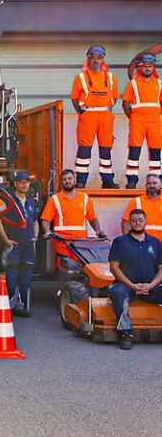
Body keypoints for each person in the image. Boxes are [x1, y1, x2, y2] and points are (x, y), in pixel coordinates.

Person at [107, 208, 162, 350]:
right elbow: (114, 267)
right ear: (129, 223)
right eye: (134, 220)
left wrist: (150, 286)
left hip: (152, 288)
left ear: (145, 222)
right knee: (116, 292)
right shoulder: (120, 242)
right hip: (127, 287)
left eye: (140, 220)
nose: (137, 223)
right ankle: (126, 333)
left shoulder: (155, 243)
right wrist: (132, 285)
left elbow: (161, 269)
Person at [70, 44, 120, 188]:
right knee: (84, 149)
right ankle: (80, 180)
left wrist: (103, 108)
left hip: (105, 115)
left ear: (103, 60)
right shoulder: (81, 77)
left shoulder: (110, 77)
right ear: (88, 59)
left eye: (99, 58)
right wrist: (82, 112)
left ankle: (108, 181)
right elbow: (74, 98)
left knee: (106, 148)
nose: (96, 61)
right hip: (88, 114)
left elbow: (115, 97)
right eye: (93, 58)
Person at [41, 168, 107, 263]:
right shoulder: (54, 199)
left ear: (75, 179)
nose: (67, 181)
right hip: (62, 243)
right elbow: (46, 220)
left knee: (83, 270)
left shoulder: (85, 198)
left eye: (69, 178)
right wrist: (47, 231)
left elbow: (93, 219)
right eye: (64, 179)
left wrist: (98, 231)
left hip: (82, 244)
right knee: (65, 271)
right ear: (61, 182)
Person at [3, 170, 40, 316]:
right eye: (21, 182)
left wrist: (35, 237)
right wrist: (5, 239)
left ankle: (22, 307)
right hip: (14, 245)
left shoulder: (32, 202)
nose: (24, 185)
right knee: (11, 279)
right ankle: (10, 307)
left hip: (28, 246)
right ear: (15, 183)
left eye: (27, 182)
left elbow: (35, 221)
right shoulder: (8, 201)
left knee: (26, 279)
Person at [122, 53, 161, 188]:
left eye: (150, 66)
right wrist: (133, 118)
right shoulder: (133, 84)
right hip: (137, 122)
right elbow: (125, 103)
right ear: (140, 68)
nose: (148, 69)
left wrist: (155, 115)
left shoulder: (159, 84)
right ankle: (131, 181)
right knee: (134, 152)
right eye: (145, 66)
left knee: (155, 153)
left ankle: (157, 182)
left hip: (155, 123)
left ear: (153, 67)